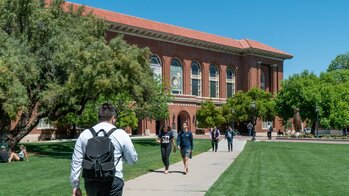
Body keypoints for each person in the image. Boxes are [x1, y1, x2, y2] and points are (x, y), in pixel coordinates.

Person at [70, 103, 138, 196]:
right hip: (114, 180)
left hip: (91, 181)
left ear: (99, 117)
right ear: (113, 118)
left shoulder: (85, 134)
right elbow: (133, 160)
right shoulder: (121, 134)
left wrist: (75, 185)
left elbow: (76, 161)